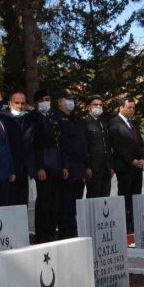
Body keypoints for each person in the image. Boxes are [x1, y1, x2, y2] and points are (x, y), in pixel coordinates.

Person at [31, 89, 65, 242]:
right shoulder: (34, 117)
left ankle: (52, 230)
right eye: (44, 99)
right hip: (44, 164)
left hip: (56, 164)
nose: (47, 102)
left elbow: (59, 143)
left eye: (48, 99)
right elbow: (34, 144)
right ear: (37, 102)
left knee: (54, 200)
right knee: (44, 201)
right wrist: (39, 167)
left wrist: (64, 165)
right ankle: (42, 234)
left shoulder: (52, 117)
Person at [52, 89, 87, 238]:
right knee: (66, 201)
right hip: (67, 166)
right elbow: (61, 144)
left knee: (76, 201)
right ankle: (65, 230)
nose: (72, 102)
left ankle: (73, 228)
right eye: (68, 99)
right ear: (60, 102)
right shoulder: (56, 118)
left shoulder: (75, 119)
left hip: (79, 166)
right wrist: (65, 164)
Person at [109, 97, 144, 232]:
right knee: (125, 196)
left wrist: (143, 158)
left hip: (137, 168)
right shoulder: (114, 123)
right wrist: (131, 160)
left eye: (133, 108)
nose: (132, 110)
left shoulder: (134, 124)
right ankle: (126, 225)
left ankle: (135, 223)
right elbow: (118, 145)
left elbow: (140, 143)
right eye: (129, 107)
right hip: (125, 167)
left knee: (136, 196)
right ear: (121, 108)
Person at [1, 90, 37, 206]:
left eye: (22, 103)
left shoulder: (28, 118)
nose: (20, 106)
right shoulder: (2, 117)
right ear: (10, 103)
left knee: (22, 202)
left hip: (24, 166)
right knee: (9, 201)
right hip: (8, 166)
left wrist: (32, 111)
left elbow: (42, 126)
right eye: (17, 102)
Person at [82, 95, 113, 198]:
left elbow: (107, 145)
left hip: (106, 167)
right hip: (94, 168)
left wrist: (111, 166)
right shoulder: (85, 123)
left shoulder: (103, 123)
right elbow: (85, 146)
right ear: (88, 107)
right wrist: (87, 166)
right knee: (93, 196)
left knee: (105, 196)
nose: (98, 107)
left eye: (100, 105)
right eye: (95, 105)